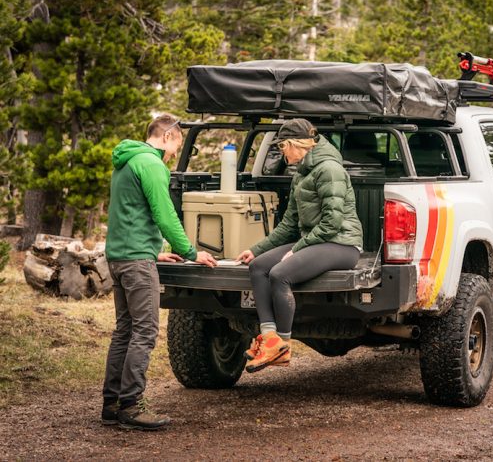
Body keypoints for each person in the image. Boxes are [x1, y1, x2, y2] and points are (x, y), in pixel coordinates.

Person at [102, 114, 217, 430]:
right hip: (137, 262)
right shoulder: (152, 165)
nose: (173, 153)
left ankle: (112, 404)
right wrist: (192, 253)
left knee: (125, 330)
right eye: (176, 145)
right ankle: (132, 405)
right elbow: (165, 216)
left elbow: (129, 214)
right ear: (168, 136)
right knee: (145, 330)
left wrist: (154, 252)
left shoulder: (126, 161)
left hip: (120, 256)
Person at [236, 118, 363, 373]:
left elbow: (332, 223)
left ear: (296, 144)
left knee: (280, 274)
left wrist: (297, 249)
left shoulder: (329, 169)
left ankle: (282, 344)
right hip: (315, 241)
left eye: (283, 146)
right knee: (259, 267)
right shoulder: (301, 173)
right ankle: (270, 339)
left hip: (341, 244)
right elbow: (289, 225)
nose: (282, 152)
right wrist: (257, 249)